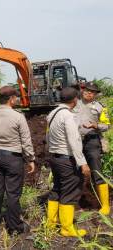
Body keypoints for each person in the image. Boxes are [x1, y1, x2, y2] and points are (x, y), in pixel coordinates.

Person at [0, 86, 36, 235]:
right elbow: (26, 141)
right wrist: (30, 159)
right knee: (13, 193)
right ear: (12, 99)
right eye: (16, 97)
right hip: (13, 158)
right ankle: (14, 226)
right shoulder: (18, 116)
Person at [46, 87, 91, 237]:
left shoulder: (52, 114)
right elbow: (74, 140)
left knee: (57, 189)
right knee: (70, 191)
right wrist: (83, 163)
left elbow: (48, 137)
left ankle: (51, 224)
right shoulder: (68, 116)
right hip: (66, 159)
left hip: (54, 157)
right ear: (75, 100)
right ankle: (66, 228)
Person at [73, 81, 111, 215]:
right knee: (74, 171)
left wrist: (96, 125)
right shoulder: (74, 103)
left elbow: (107, 125)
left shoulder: (100, 107)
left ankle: (105, 205)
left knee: (96, 171)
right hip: (75, 141)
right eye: (87, 90)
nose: (88, 93)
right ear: (82, 90)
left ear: (95, 94)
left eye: (92, 92)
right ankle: (74, 203)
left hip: (92, 141)